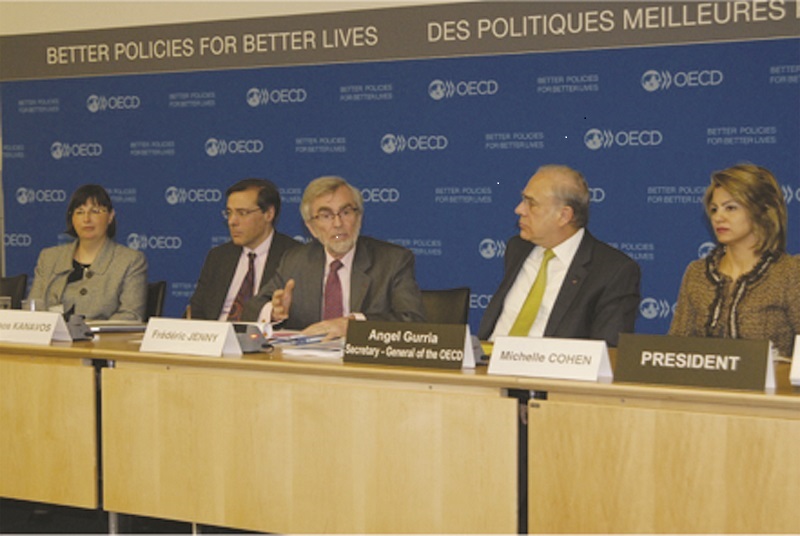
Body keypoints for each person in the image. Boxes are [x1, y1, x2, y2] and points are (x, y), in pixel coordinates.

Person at [242, 175, 425, 338]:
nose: (338, 223)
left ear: (359, 217)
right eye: (326, 215)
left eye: (346, 212)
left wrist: (351, 325)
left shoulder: (392, 261)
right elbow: (253, 308)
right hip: (309, 365)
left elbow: (413, 321)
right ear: (311, 228)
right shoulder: (295, 260)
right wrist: (273, 311)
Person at [478, 164, 641, 346]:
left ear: (564, 216)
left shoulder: (613, 271)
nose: (519, 210)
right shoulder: (517, 248)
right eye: (523, 200)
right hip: (486, 365)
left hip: (548, 371)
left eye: (531, 204)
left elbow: (608, 352)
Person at [669, 163, 800, 357]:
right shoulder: (697, 273)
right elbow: (675, 349)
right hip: (703, 386)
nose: (718, 217)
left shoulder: (789, 273)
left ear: (762, 211)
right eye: (714, 209)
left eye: (730, 208)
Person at [27, 184, 147, 321]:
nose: (86, 219)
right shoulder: (49, 258)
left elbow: (131, 316)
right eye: (79, 212)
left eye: (95, 211)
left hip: (102, 341)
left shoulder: (130, 261)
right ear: (72, 219)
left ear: (110, 216)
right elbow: (33, 308)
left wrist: (90, 332)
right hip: (52, 340)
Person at [189, 178, 300, 321]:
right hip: (215, 338)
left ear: (268, 214)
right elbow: (197, 312)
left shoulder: (295, 256)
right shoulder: (218, 256)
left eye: (242, 213)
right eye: (229, 212)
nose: (232, 221)